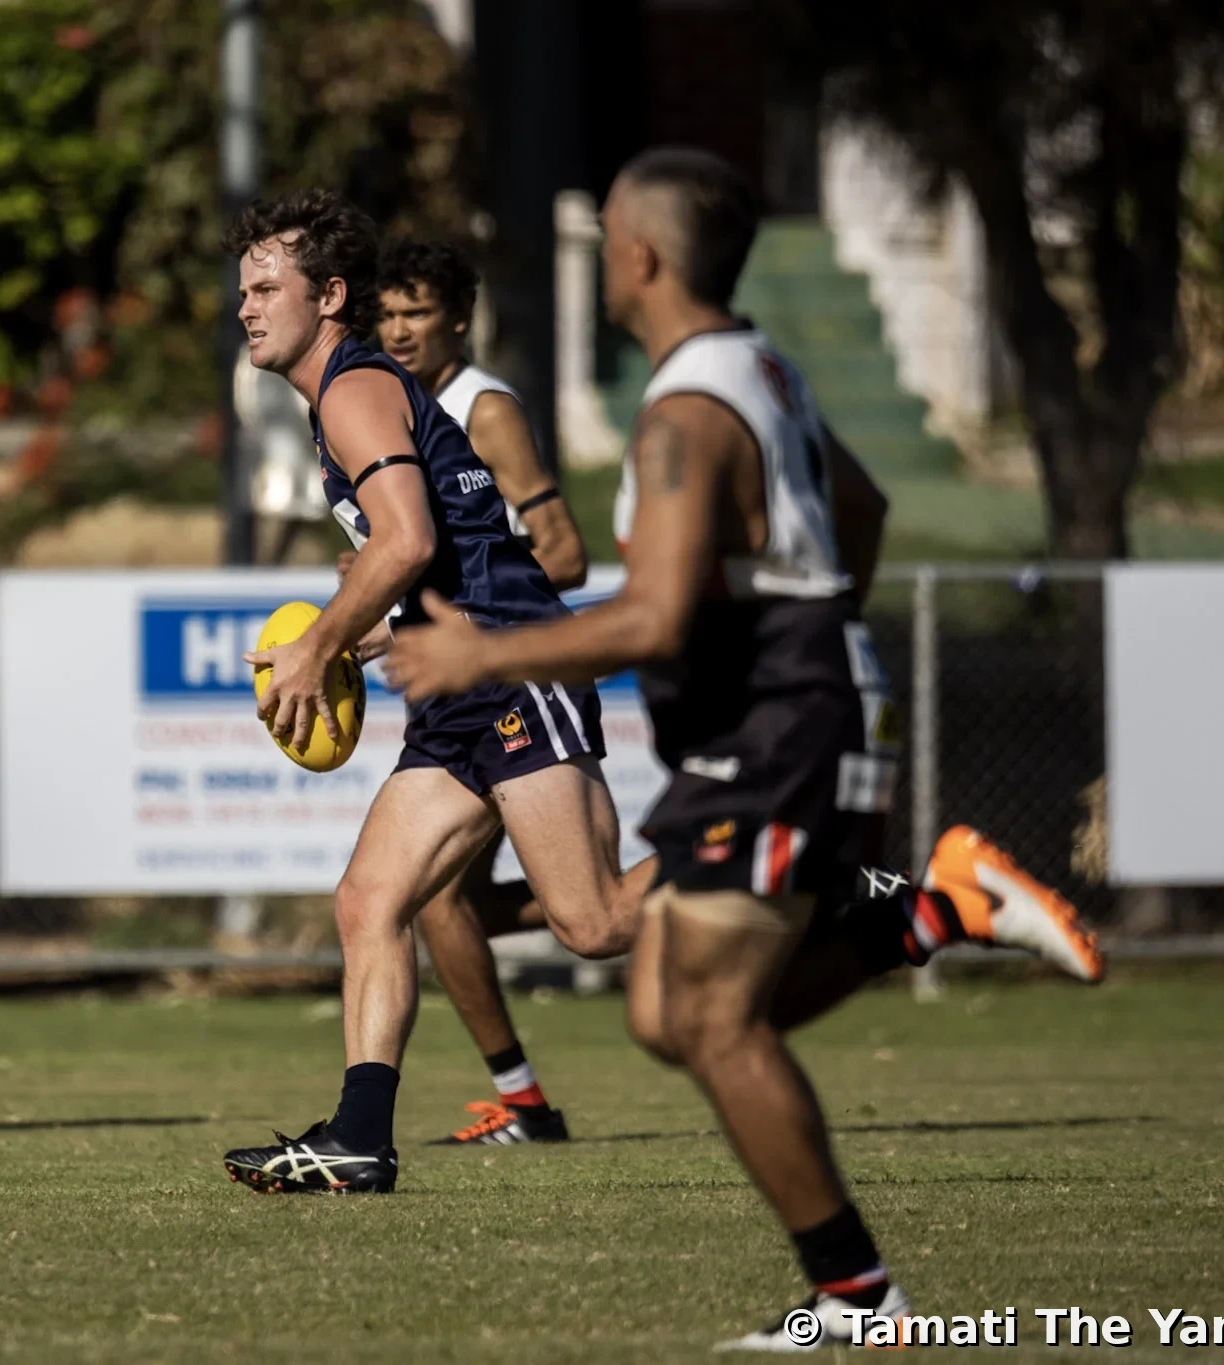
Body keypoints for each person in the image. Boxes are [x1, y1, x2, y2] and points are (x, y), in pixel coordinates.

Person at [386, 148, 1103, 1347]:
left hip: (772, 725)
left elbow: (655, 614)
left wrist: (483, 657)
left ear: (639, 258)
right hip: (782, 709)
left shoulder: (681, 412)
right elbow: (859, 511)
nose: (604, 253)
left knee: (708, 1019)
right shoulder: (759, 367)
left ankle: (859, 1302)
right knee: (666, 1013)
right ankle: (931, 914)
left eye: (608, 230)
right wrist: (814, 621)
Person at [216, 190, 643, 1195]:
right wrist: (358, 635)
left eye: (263, 287)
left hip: (504, 661)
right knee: (370, 900)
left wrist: (321, 640)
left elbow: (406, 541)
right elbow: (417, 554)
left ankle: (813, 872)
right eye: (239, 290)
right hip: (453, 683)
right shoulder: (347, 397)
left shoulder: (352, 388)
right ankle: (359, 1137)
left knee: (593, 923)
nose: (243, 307)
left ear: (327, 296)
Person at [368, 237, 587, 1145]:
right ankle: (524, 1100)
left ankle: (787, 879)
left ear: (459, 317)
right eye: (385, 315)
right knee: (440, 900)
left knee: (573, 914)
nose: (399, 330)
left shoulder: (480, 408)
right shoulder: (377, 415)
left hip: (508, 674)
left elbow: (564, 552)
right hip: (450, 688)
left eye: (416, 312)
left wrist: (459, 604)